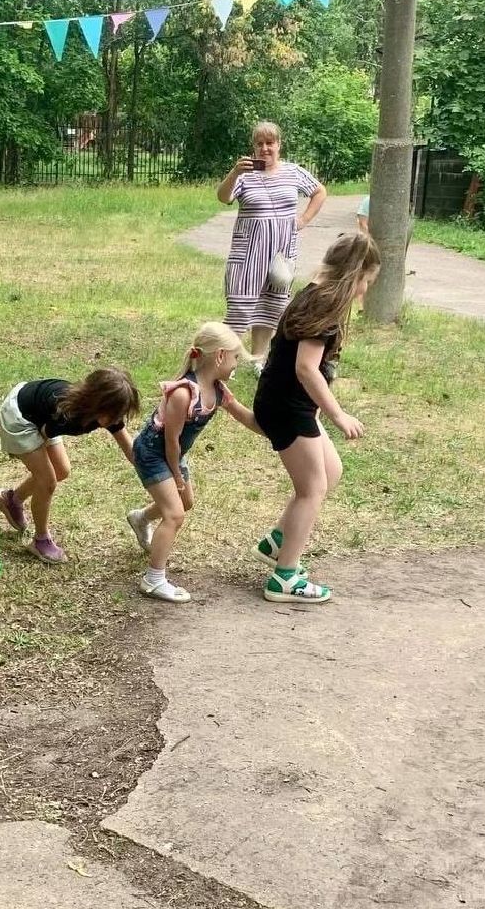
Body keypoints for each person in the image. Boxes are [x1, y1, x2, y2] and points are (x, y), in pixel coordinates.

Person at [252, 233, 380, 604]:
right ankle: (285, 578)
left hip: (291, 403)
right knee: (313, 489)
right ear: (355, 274)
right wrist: (338, 414)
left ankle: (277, 541)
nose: (363, 291)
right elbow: (307, 369)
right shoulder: (325, 306)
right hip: (286, 407)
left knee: (330, 471)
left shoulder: (315, 291)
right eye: (367, 282)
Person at [125, 324, 261, 601]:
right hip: (154, 452)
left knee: (183, 503)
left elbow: (246, 417)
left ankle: (141, 518)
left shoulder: (219, 391)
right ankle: (153, 580)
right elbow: (170, 441)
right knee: (175, 514)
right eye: (235, 357)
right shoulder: (183, 393)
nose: (236, 364)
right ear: (220, 356)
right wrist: (176, 475)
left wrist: (277, 427)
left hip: (174, 454)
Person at [0, 369, 140, 563]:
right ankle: (40, 540)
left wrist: (155, 473)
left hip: (39, 412)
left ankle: (12, 499)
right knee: (47, 481)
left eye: (117, 415)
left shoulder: (108, 412)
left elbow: (130, 449)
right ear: (95, 401)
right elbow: (43, 434)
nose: (112, 421)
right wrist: (32, 461)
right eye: (109, 414)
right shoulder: (68, 415)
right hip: (20, 416)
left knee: (61, 470)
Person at [216, 121, 328, 368]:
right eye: (259, 143)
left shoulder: (293, 172)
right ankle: (225, 363)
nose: (265, 148)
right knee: (240, 306)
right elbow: (223, 197)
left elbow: (319, 192)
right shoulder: (244, 175)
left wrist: (303, 220)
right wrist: (235, 172)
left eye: (270, 143)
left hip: (281, 252)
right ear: (253, 147)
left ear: (279, 145)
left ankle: (258, 359)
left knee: (272, 306)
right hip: (249, 252)